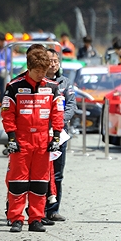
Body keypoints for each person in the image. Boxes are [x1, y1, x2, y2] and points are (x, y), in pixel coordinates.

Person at [2, 48, 64, 232]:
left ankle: (36, 218)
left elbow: (58, 113)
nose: (41, 75)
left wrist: (57, 136)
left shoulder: (52, 87)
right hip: (21, 139)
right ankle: (16, 219)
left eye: (44, 71)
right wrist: (11, 137)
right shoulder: (14, 87)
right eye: (38, 71)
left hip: (43, 139)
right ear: (29, 68)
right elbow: (7, 115)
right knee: (17, 182)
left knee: (40, 182)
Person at [44, 48, 76, 222]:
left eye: (56, 61)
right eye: (50, 61)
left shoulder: (65, 83)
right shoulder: (39, 82)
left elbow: (71, 106)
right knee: (41, 174)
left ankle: (53, 210)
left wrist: (58, 122)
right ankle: (38, 210)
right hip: (42, 134)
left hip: (59, 134)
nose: (53, 64)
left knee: (57, 174)